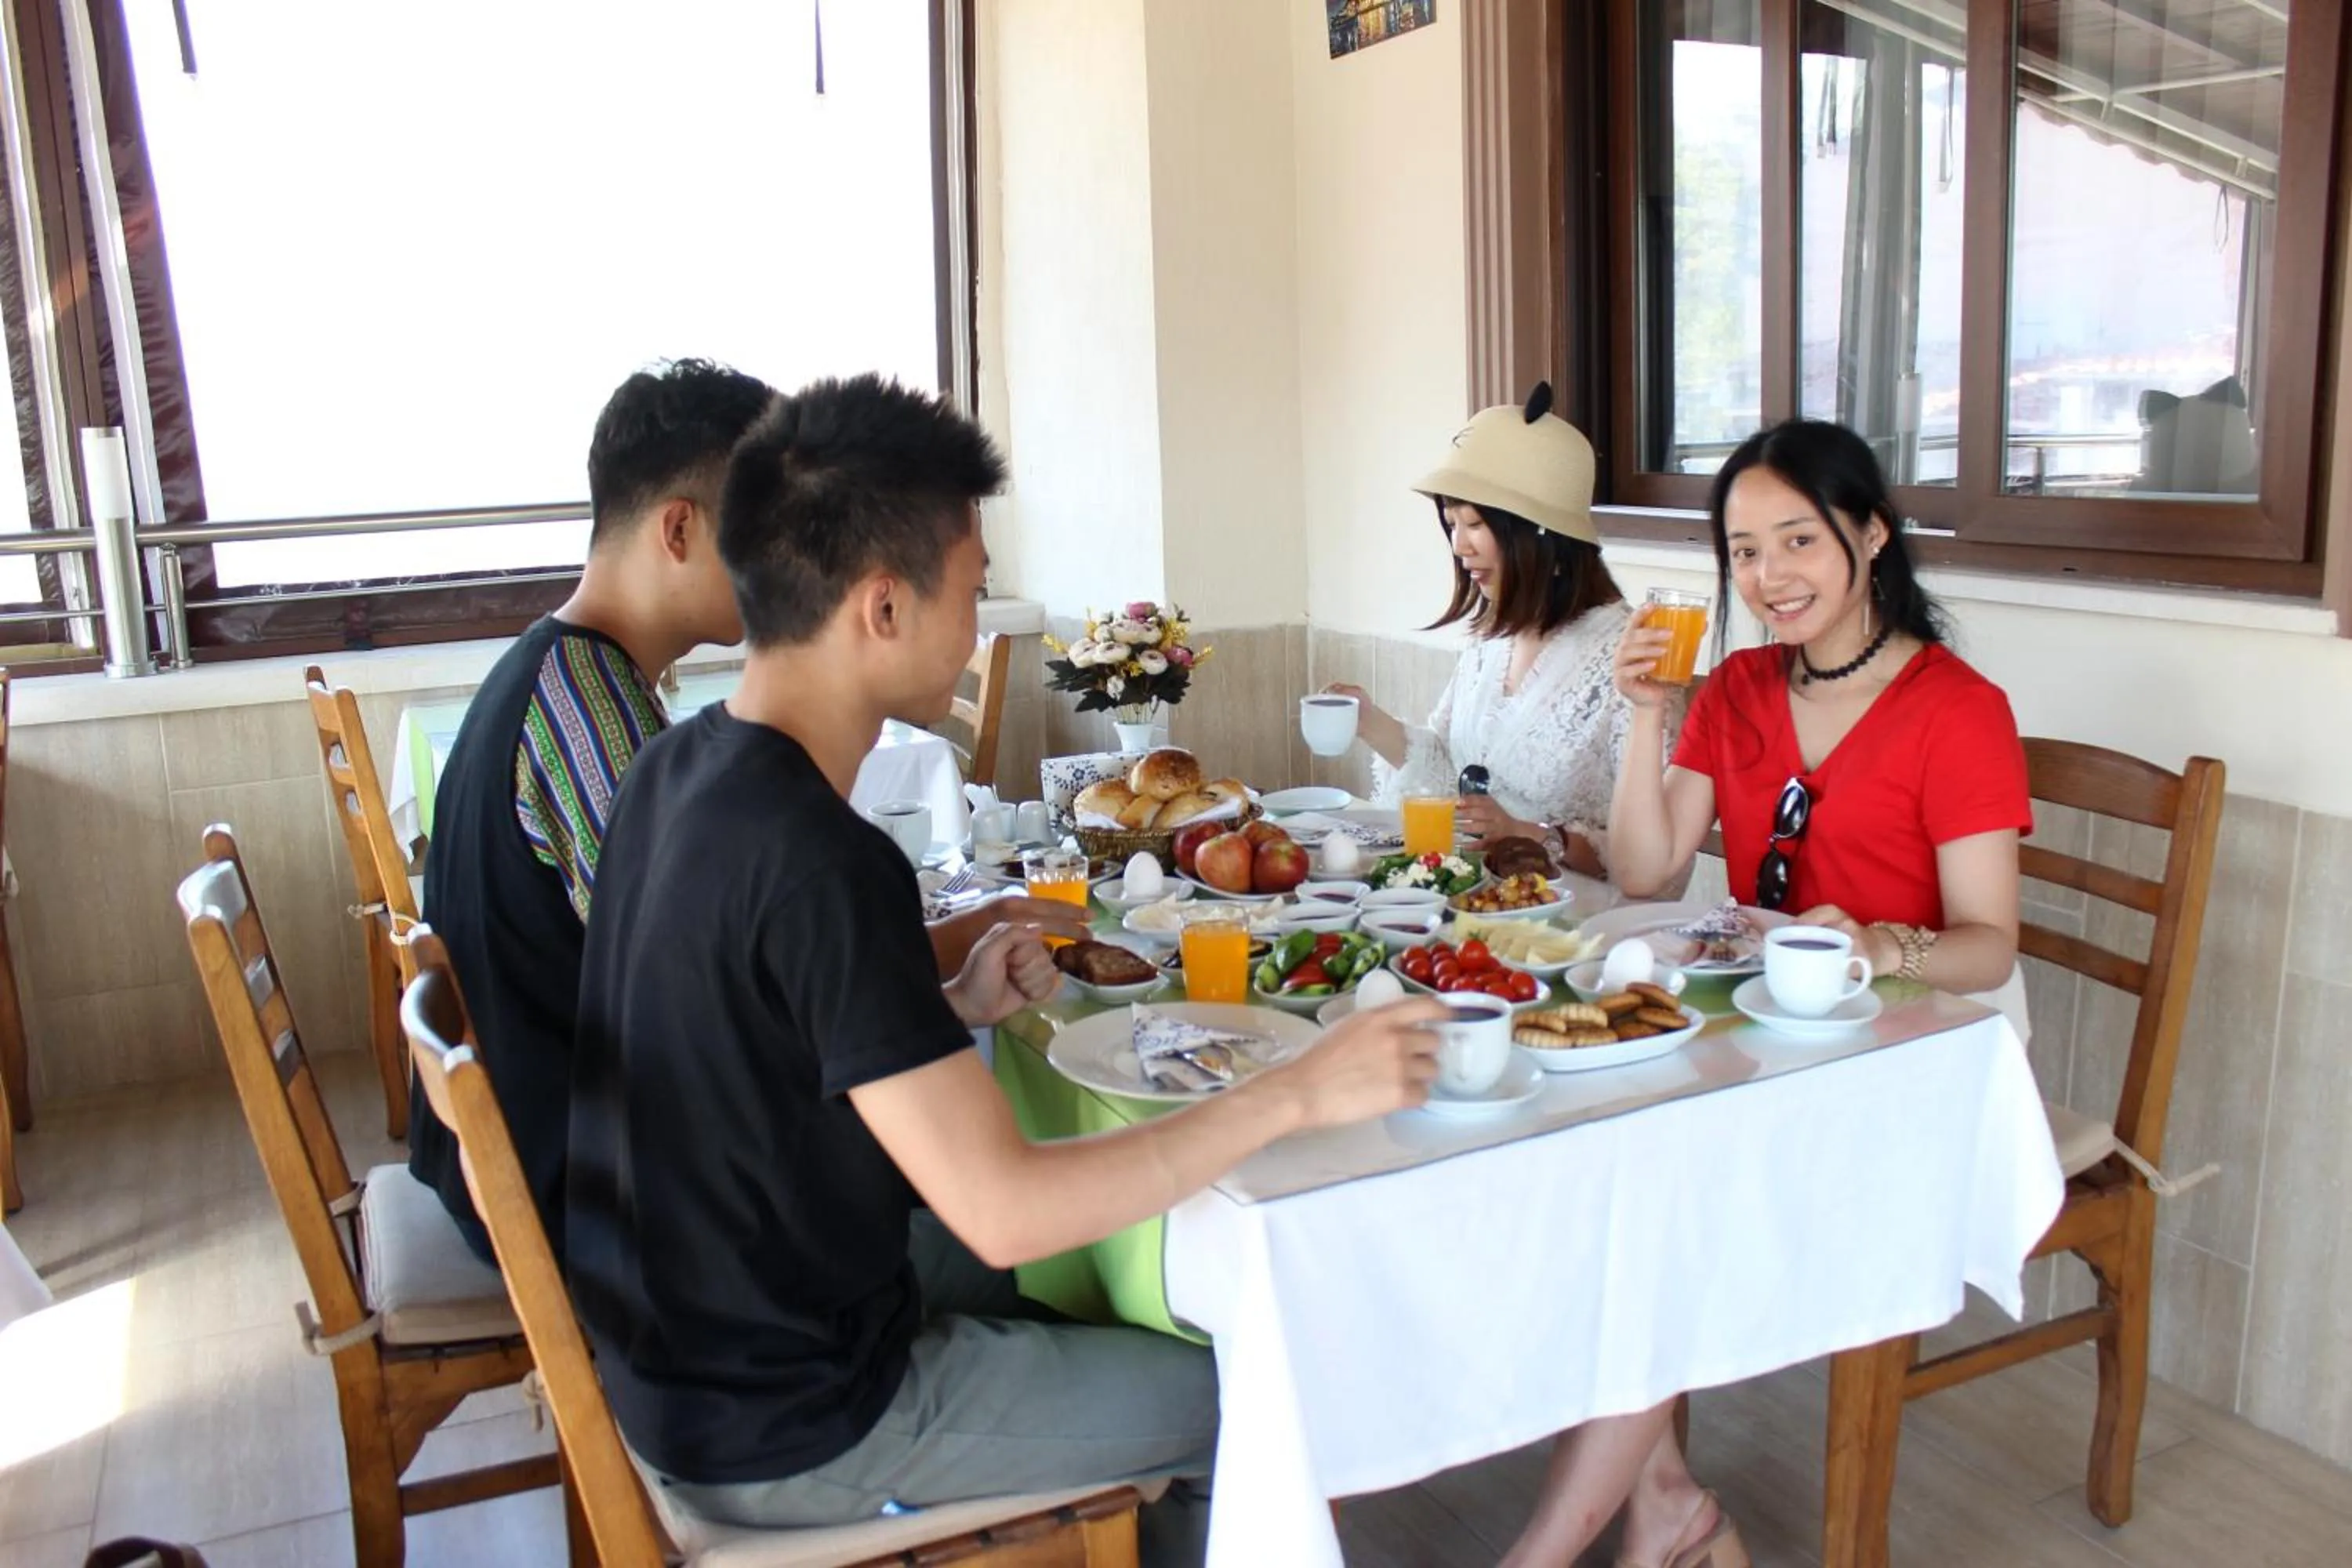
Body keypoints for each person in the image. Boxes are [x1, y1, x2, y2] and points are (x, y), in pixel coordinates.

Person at [567, 374, 1448, 1563]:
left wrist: (942, 1004)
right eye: (970, 593)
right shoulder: (820, 859)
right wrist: (1296, 1091)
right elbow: (1000, 1211)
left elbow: (753, 1042)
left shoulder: (677, 777)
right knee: (1252, 1393)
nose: (979, 631)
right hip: (791, 1418)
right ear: (882, 606)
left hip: (677, 1348)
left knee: (1111, 1269)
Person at [1500, 419, 2028, 1568]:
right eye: (1743, 552)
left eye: (1798, 539)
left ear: (1872, 535)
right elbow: (1646, 870)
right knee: (1600, 1183)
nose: (1769, 576)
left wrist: (1883, 947)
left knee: (1655, 1215)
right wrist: (1650, 713)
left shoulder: (1958, 709)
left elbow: (1990, 947)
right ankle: (1670, 1502)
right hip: (1764, 1043)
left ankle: (1556, 1549)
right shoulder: (1737, 686)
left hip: (1915, 1052)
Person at [413, 358, 1082, 1265]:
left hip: (631, 1175)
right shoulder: (585, 713)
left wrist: (966, 944)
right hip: (606, 1203)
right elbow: (731, 986)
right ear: (682, 528)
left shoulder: (576, 677)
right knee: (1029, 1225)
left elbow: (746, 969)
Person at [1322, 383, 1678, 880]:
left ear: (1541, 535)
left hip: (1572, 926)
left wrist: (1530, 832)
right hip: (1472, 902)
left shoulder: (1629, 659)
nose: (1459, 545)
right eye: (1451, 523)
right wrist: (1368, 719)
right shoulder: (1494, 636)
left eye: (1476, 524)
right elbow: (1450, 768)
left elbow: (1654, 865)